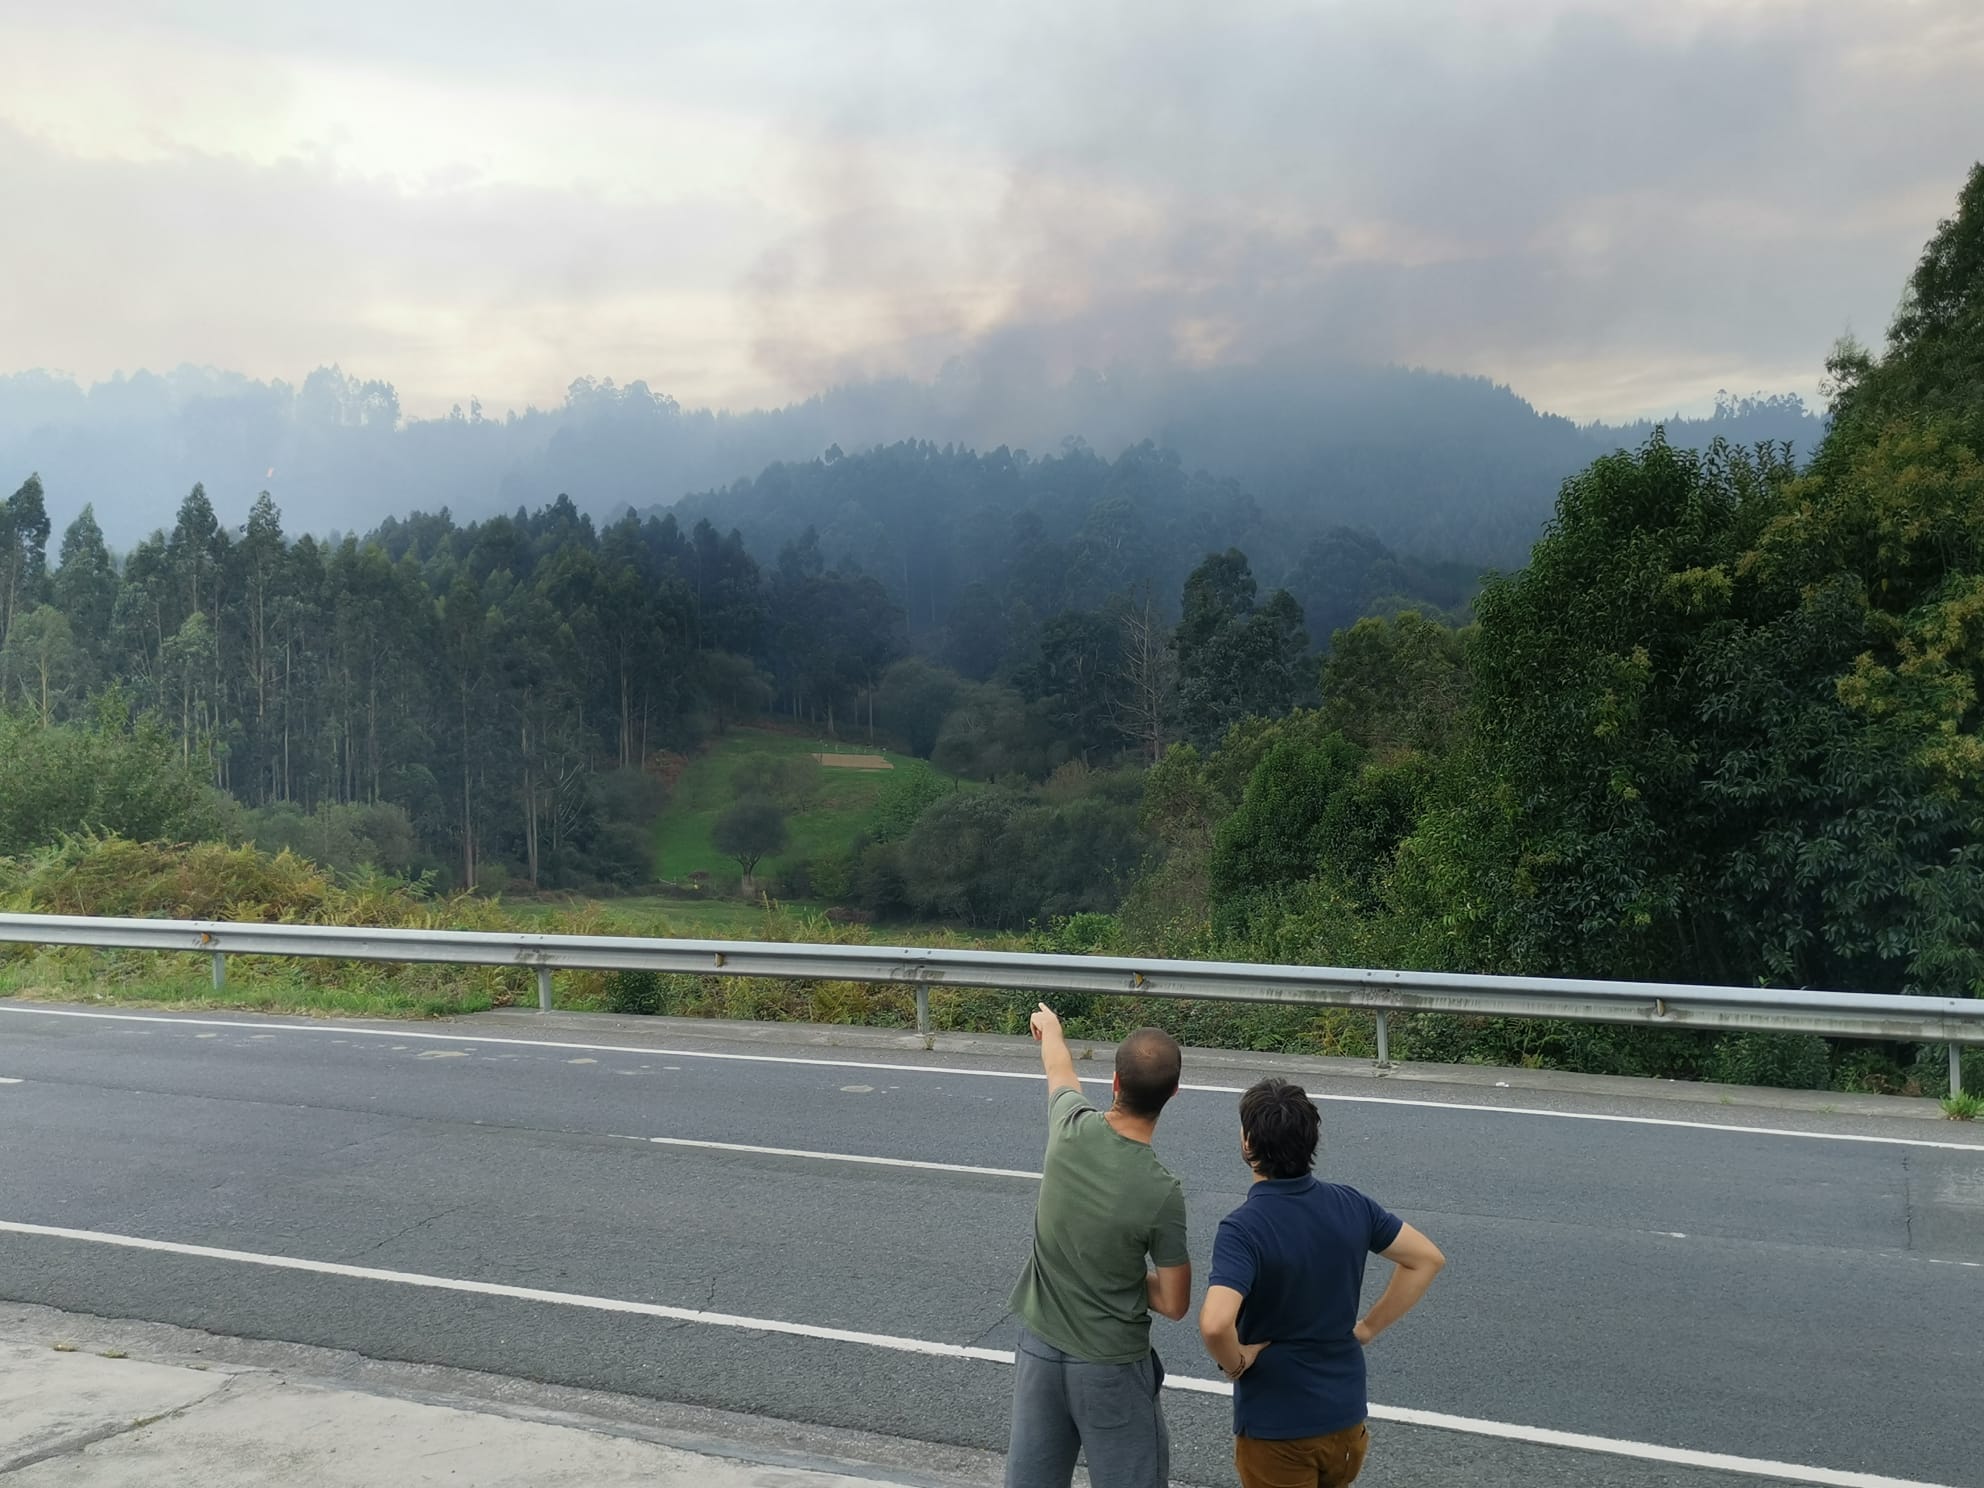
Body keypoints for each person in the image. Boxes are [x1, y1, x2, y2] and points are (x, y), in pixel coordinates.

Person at [1198, 1077, 1445, 1488]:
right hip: (1346, 1424)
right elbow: (1425, 1259)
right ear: (1311, 1141)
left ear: (1248, 1144)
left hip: (1278, 1431)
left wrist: (1237, 1362)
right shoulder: (1352, 1204)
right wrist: (1366, 1328)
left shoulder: (1243, 1228)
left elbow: (1214, 1323)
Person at [1005, 1003, 1191, 1488]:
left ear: (1114, 1082)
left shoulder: (1068, 1126)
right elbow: (1174, 1303)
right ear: (1173, 1093)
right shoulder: (1161, 1191)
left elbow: (1058, 1066)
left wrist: (1050, 1027)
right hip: (1111, 1368)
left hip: (1039, 1351)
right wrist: (1119, 1271)